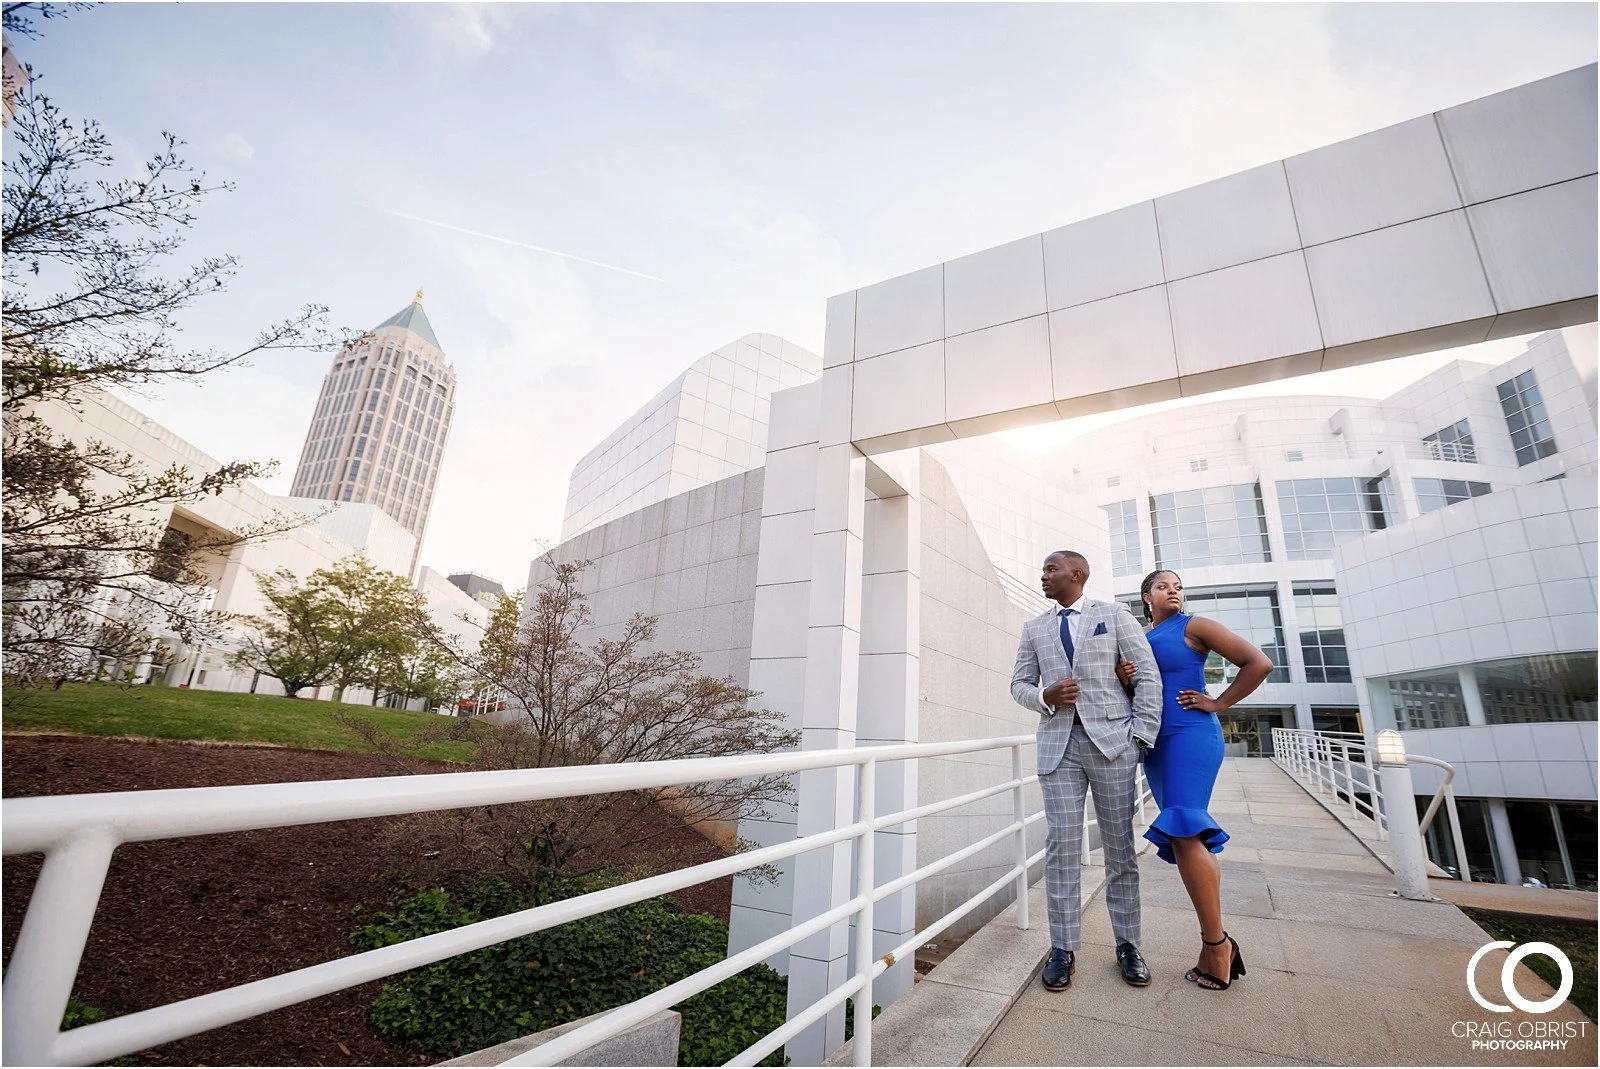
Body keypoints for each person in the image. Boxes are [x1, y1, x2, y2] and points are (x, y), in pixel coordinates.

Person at [1010, 550, 1162, 992]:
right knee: (1061, 846)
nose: (1043, 576)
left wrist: (1140, 735)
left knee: (1119, 845)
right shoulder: (1034, 627)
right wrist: (1046, 696)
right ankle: (1062, 947)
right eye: (1042, 570)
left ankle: (1129, 944)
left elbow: (1148, 675)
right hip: (1059, 748)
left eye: (1051, 569)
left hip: (1114, 744)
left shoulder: (1114, 616)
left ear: (1077, 575)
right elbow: (1018, 684)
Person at [1116, 569, 1273, 992]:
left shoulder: (1195, 625)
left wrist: (1219, 702)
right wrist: (1126, 680)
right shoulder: (1139, 636)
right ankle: (1215, 944)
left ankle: (1218, 944)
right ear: (1146, 596)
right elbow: (1140, 693)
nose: (1174, 591)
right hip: (1155, 743)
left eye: (1178, 586)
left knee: (1185, 828)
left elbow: (1259, 662)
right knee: (1187, 837)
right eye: (1164, 586)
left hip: (1190, 735)